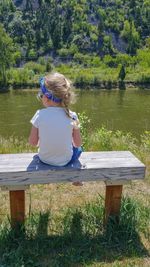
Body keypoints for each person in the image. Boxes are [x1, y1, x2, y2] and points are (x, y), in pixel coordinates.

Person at [29, 72, 83, 185]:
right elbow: (77, 143)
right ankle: (76, 175)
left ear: (47, 98)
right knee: (79, 149)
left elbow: (33, 143)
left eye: (41, 94)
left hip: (44, 159)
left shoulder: (39, 114)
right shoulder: (72, 115)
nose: (41, 96)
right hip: (65, 161)